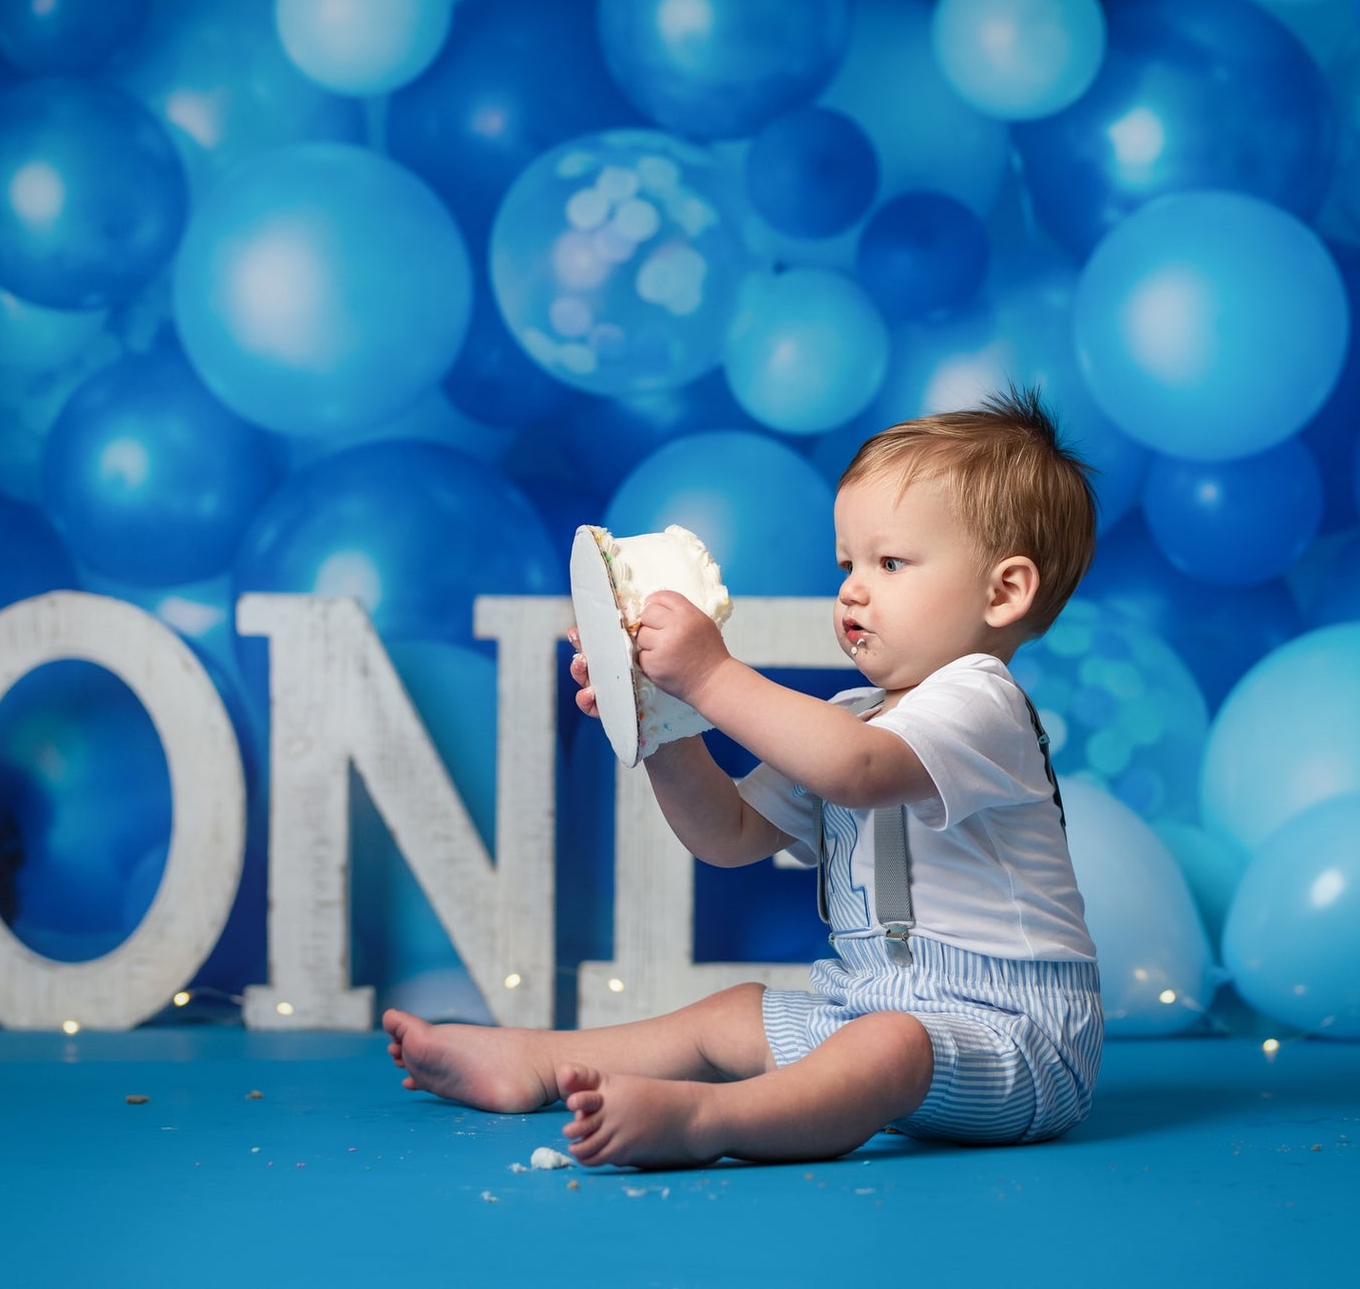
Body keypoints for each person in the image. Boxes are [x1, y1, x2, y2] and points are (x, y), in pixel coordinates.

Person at [383, 385, 1104, 1169]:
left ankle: (711, 1118)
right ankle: (539, 1059)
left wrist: (710, 675)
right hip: (876, 1010)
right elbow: (726, 834)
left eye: (890, 562)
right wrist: (662, 718)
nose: (852, 587)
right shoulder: (850, 716)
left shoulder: (982, 702)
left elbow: (857, 769)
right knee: (734, 1014)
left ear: (1004, 591)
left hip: (1017, 1041)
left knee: (891, 1044)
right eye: (848, 563)